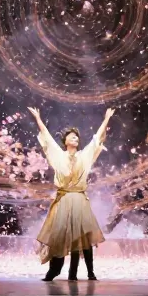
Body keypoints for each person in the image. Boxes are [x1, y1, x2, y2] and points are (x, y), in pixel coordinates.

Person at [27, 106, 114, 281]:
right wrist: (38, 118)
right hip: (65, 199)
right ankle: (54, 271)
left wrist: (106, 119)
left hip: (79, 199)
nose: (75, 138)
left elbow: (96, 139)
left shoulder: (84, 155)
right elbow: (47, 138)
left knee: (83, 236)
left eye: (77, 137)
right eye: (72, 136)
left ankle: (88, 272)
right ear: (65, 141)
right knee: (59, 235)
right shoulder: (59, 155)